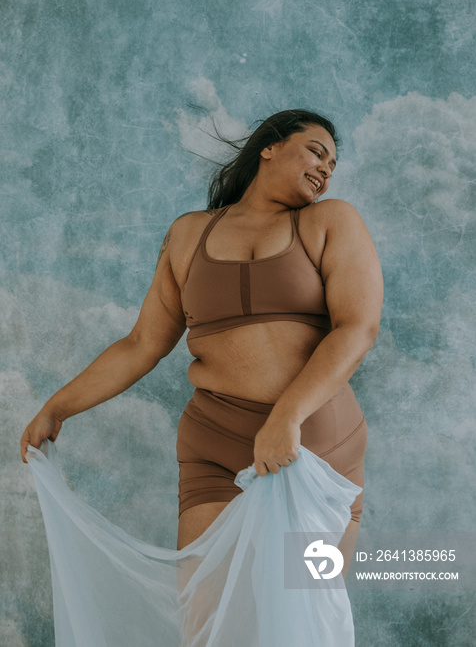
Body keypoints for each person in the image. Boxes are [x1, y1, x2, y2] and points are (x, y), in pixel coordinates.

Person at [20, 108, 383, 581]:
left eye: (332, 167)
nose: (325, 171)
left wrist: (286, 417)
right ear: (269, 146)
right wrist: (57, 407)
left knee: (300, 612)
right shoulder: (189, 233)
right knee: (204, 618)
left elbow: (358, 329)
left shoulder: (331, 221)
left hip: (312, 442)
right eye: (317, 152)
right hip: (214, 446)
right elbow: (142, 344)